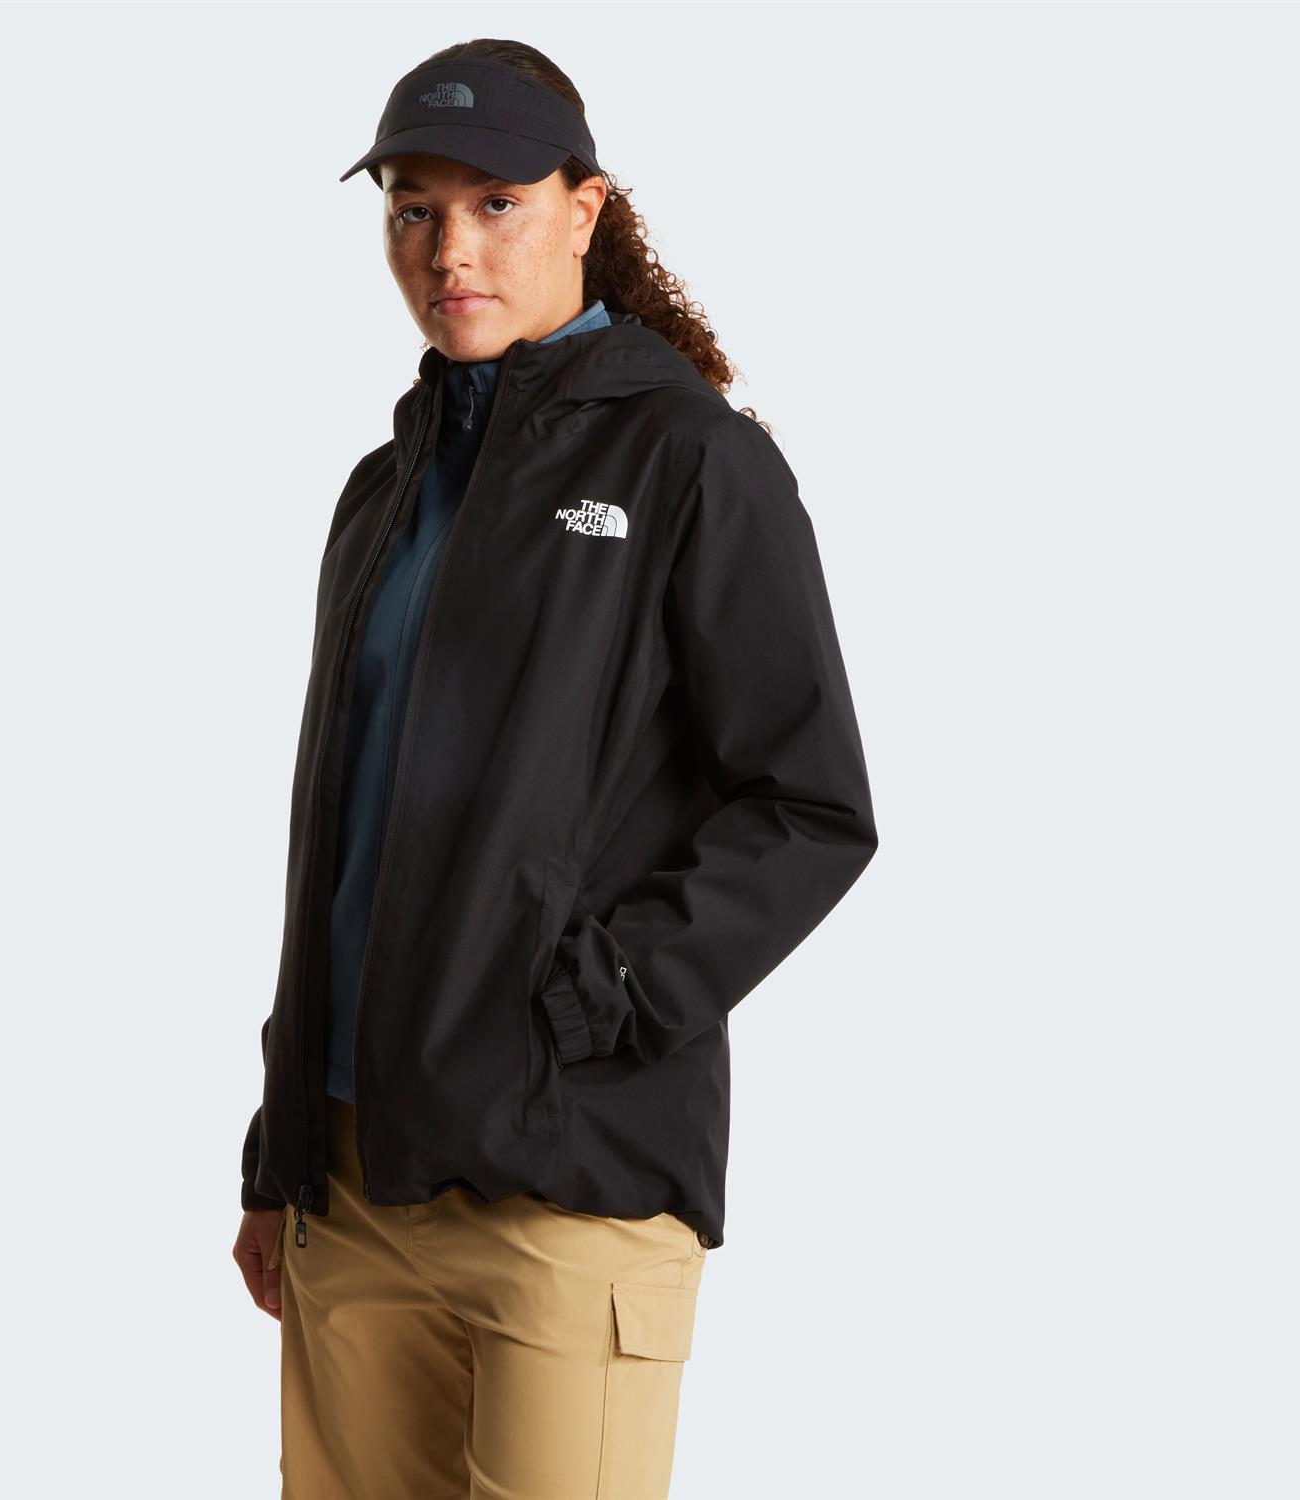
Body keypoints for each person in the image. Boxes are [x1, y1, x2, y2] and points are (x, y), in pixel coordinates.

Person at [232, 38, 878, 1500]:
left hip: (566, 1183)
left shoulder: (692, 463)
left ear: (585, 209)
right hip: (350, 1190)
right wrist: (283, 1145)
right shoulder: (382, 493)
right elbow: (339, 830)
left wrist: (600, 996)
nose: (448, 249)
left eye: (497, 203)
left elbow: (808, 805)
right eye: (412, 209)